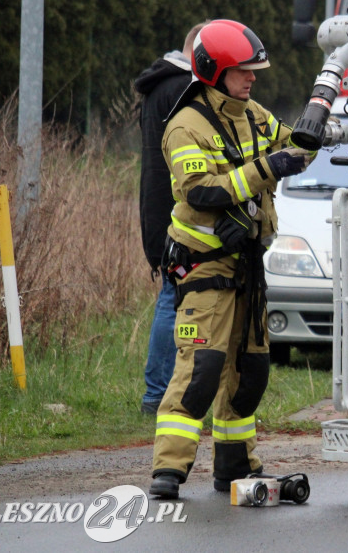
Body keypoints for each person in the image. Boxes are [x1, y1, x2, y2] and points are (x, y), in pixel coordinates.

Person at [149, 20, 315, 499]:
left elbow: (293, 149)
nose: (253, 77)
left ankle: (235, 464)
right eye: (243, 70)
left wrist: (315, 131)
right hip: (206, 266)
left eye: (254, 69)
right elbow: (200, 190)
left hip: (249, 265)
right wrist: (268, 168)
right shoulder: (186, 125)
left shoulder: (253, 114)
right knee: (201, 368)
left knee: (250, 372)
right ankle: (168, 470)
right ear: (215, 71)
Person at [135, 21, 208, 416]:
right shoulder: (184, 88)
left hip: (158, 212)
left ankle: (161, 391)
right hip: (176, 218)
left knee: (172, 294)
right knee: (172, 296)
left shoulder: (159, 86)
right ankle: (157, 393)